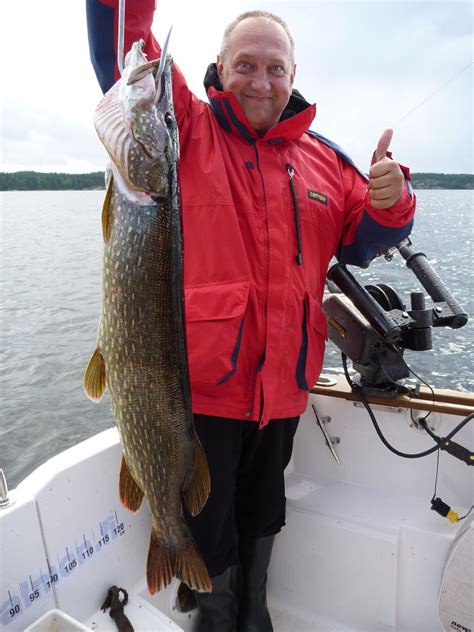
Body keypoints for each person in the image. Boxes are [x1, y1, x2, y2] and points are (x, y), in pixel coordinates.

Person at [86, 2, 416, 630]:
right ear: (218, 68)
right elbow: (122, 50)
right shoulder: (185, 126)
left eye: (274, 68)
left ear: (294, 75)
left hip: (283, 391)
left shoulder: (326, 160)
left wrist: (392, 200)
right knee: (206, 517)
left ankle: (253, 610)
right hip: (199, 391)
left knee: (264, 511)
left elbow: (363, 239)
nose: (260, 81)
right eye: (245, 65)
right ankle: (213, 613)